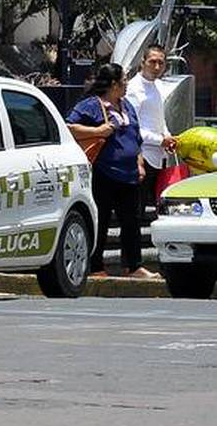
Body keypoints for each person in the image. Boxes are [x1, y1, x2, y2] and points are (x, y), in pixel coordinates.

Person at [66, 63, 157, 279]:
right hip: (103, 174)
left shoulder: (127, 106)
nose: (126, 84)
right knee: (101, 221)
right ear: (114, 84)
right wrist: (98, 130)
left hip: (129, 175)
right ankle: (95, 267)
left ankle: (133, 266)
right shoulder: (91, 106)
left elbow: (135, 137)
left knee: (131, 222)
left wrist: (139, 163)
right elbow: (69, 127)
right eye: (124, 81)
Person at [126, 44, 177, 207]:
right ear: (143, 62)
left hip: (159, 155)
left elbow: (160, 118)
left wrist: (167, 136)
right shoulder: (133, 88)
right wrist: (160, 140)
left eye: (161, 63)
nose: (156, 67)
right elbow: (132, 126)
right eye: (152, 62)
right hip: (142, 155)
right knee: (138, 207)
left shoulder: (158, 86)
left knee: (156, 207)